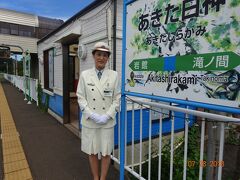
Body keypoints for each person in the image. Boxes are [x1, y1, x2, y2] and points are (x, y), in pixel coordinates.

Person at [77, 42, 120, 180]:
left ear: (108, 58)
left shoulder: (114, 75)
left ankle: (103, 178)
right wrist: (92, 114)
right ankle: (96, 177)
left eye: (105, 55)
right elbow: (80, 97)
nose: (101, 58)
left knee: (106, 152)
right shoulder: (85, 75)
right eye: (99, 54)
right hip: (91, 121)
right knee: (92, 151)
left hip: (107, 122)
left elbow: (117, 98)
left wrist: (107, 115)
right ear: (93, 56)